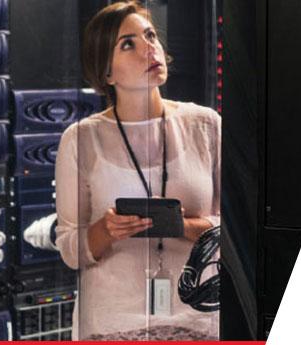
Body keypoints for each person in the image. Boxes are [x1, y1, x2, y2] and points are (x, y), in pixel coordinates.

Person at [53, 0, 221, 340]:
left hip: (196, 321)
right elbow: (70, 247)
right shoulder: (81, 139)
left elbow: (235, 235)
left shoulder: (205, 125)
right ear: (106, 72)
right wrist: (107, 229)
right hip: (110, 326)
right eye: (128, 44)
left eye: (151, 36)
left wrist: (184, 226)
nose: (149, 48)